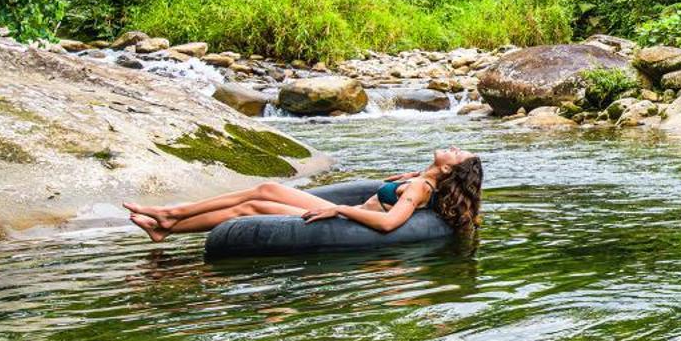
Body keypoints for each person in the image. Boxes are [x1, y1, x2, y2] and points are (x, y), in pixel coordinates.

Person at [125, 147, 482, 241]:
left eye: (456, 153)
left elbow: (390, 223)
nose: (451, 148)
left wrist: (341, 211)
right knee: (262, 194)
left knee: (255, 204)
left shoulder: (421, 187)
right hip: (353, 208)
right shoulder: (421, 178)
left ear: (449, 170)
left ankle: (170, 221)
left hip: (347, 215)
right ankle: (169, 221)